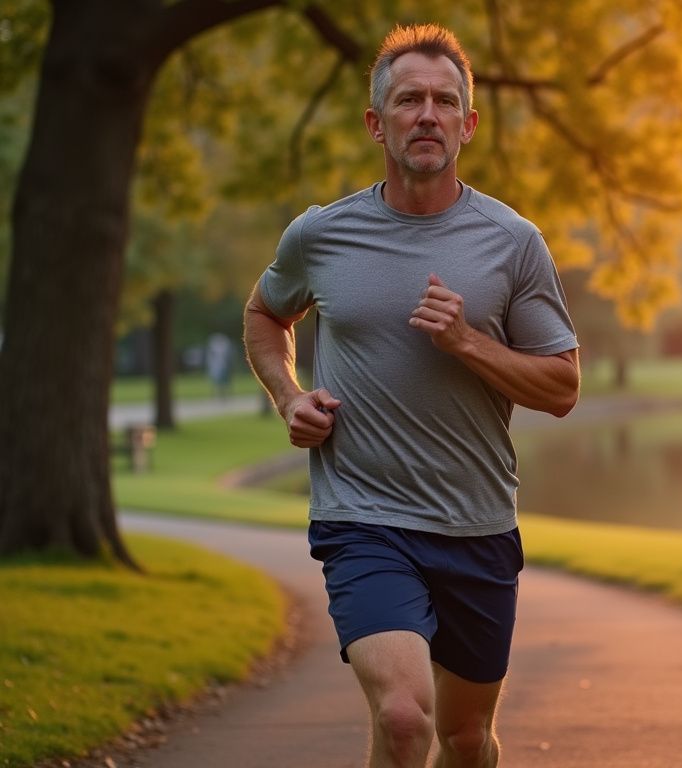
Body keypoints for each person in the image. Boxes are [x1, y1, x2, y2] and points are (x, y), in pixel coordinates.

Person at [242, 23, 579, 768]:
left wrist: (467, 343)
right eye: (408, 100)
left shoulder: (513, 241)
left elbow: (563, 385)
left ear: (468, 123)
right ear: (376, 122)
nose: (427, 114)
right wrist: (287, 395)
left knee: (464, 738)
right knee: (401, 717)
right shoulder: (321, 235)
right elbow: (266, 313)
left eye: (443, 100)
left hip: (476, 526)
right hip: (364, 522)